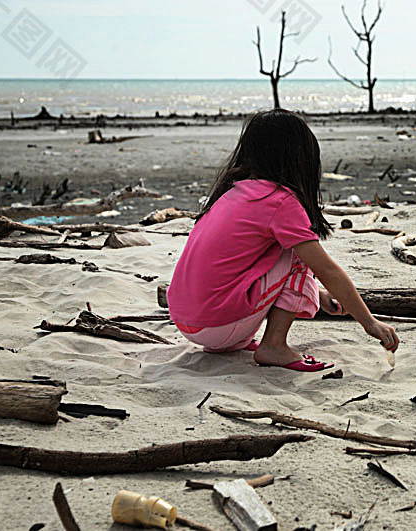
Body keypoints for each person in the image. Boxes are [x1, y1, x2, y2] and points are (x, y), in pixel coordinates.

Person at [166, 109, 399, 371]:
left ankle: (250, 339)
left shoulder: (235, 190)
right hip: (216, 325)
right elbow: (326, 269)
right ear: (299, 158)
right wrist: (370, 322)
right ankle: (274, 345)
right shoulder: (279, 200)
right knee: (299, 253)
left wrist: (319, 296)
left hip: (188, 320)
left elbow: (242, 265)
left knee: (287, 247)